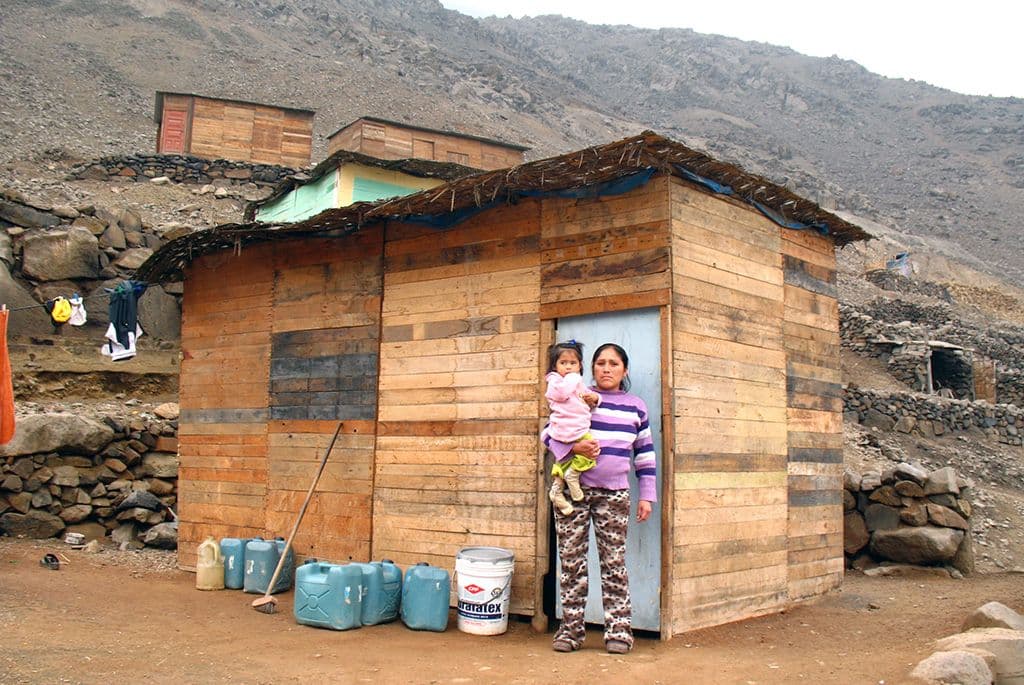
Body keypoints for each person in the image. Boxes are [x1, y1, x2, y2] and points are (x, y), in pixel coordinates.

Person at [542, 342, 656, 655]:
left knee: (614, 562)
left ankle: (619, 631)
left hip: (615, 494)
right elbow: (547, 434)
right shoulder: (577, 394)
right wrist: (571, 449)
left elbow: (644, 455)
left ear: (625, 370)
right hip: (572, 493)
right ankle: (571, 631)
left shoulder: (636, 406)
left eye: (614, 364)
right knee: (572, 564)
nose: (606, 369)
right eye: (600, 363)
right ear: (591, 368)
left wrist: (647, 495)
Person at [544, 340, 601, 516]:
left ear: (580, 365)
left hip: (577, 428)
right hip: (565, 428)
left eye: (572, 363)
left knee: (564, 461)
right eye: (563, 363)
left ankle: (557, 492)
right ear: (555, 366)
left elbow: (586, 400)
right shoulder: (555, 381)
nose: (568, 367)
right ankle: (573, 475)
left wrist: (594, 399)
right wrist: (573, 377)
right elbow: (561, 394)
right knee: (591, 451)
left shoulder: (577, 383)